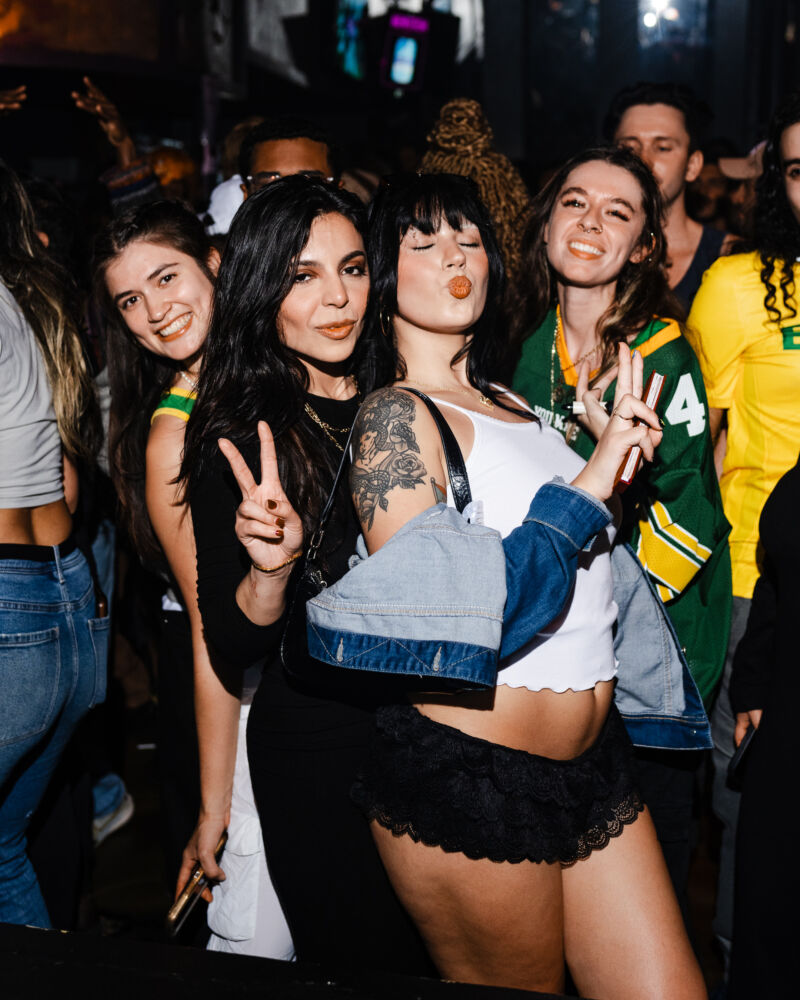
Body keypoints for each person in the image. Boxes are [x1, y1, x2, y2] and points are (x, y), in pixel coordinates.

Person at [343, 171, 705, 997]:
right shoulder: (394, 417)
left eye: (469, 239)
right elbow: (442, 622)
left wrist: (608, 458)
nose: (455, 256)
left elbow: (588, 565)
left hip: (593, 766)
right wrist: (589, 483)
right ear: (385, 274)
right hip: (474, 776)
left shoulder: (513, 401)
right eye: (425, 242)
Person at [179, 175, 434, 975]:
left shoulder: (413, 394)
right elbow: (231, 641)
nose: (338, 298)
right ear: (263, 291)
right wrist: (272, 569)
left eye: (353, 269)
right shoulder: (240, 434)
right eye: (303, 275)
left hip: (434, 728)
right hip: (322, 746)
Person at [510, 146, 731, 918]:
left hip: (648, 650)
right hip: (548, 645)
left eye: (617, 212)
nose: (589, 222)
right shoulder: (518, 344)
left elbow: (692, 512)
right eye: (574, 202)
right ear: (545, 223)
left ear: (642, 246)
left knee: (646, 885)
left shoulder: (660, 354)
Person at [94, 200, 292, 958]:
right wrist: (215, 806)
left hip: (325, 699)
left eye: (165, 278)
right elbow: (213, 634)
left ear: (213, 264)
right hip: (249, 711)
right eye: (129, 301)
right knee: (254, 934)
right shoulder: (172, 435)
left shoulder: (275, 370)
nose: (154, 312)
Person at [684, 88, 800, 978]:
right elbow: (702, 447)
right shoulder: (738, 285)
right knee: (754, 805)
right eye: (799, 170)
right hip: (768, 580)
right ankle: (742, 968)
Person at [0, 158, 107, 928]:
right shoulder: (32, 302)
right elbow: (68, 484)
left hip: (10, 615)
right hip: (68, 600)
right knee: (4, 852)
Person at [604, 81, 736, 311]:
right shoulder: (591, 250)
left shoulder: (731, 256)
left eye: (663, 148)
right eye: (629, 149)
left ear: (692, 165)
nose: (644, 161)